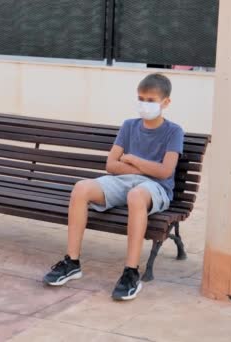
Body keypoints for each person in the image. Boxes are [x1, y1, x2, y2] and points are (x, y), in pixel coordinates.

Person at [42, 73, 184, 301]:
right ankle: (72, 261)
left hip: (155, 188)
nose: (144, 104)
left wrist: (133, 160)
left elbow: (165, 171)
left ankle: (131, 272)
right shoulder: (129, 126)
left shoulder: (174, 131)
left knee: (137, 196)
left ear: (165, 103)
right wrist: (144, 168)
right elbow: (111, 164)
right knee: (81, 188)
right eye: (141, 98)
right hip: (123, 182)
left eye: (151, 100)